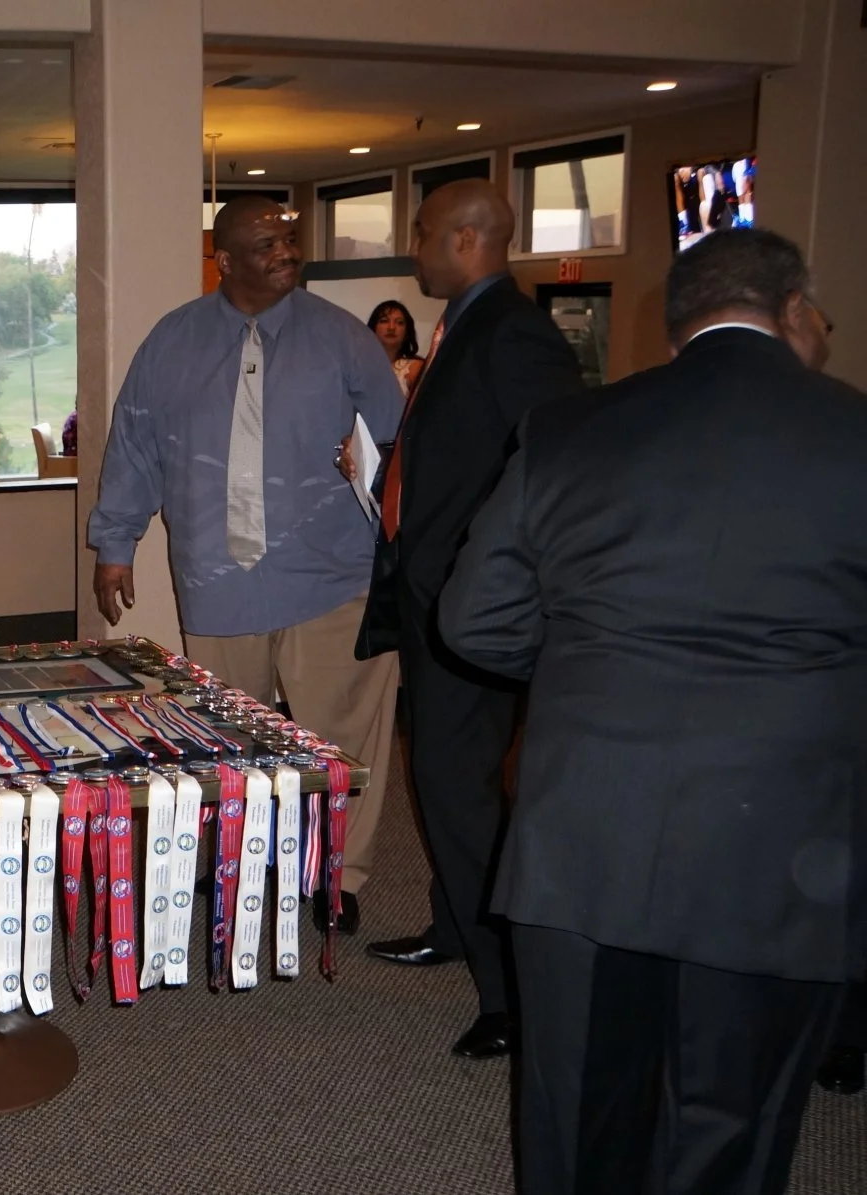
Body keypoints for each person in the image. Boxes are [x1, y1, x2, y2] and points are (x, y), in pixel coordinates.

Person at [437, 227, 864, 1195]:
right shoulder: (854, 433)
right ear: (796, 311)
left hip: (586, 828)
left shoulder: (568, 430)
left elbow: (475, 621)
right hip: (782, 847)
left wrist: (589, 674)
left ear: (675, 329)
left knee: (578, 1113)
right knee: (733, 1122)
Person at [88, 194, 406, 934]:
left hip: (332, 575)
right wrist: (116, 544)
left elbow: (399, 448)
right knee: (229, 739)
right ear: (225, 260)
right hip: (218, 577)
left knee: (341, 737)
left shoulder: (344, 338)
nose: (286, 251)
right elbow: (134, 444)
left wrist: (378, 475)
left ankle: (336, 873)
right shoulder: (173, 341)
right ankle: (240, 857)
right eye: (266, 243)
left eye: (290, 238)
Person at [350, 178, 585, 1060]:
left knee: (460, 787)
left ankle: (511, 994)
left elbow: (553, 465)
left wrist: (500, 577)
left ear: (464, 238)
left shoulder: (515, 333)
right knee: (442, 779)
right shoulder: (462, 327)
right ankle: (454, 925)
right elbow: (461, 455)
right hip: (434, 596)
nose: (412, 249)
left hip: (478, 607)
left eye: (421, 233)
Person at [367, 299, 425, 397]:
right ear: (373, 328)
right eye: (384, 321)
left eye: (399, 323)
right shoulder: (358, 367)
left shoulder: (414, 368)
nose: (391, 327)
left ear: (407, 331)